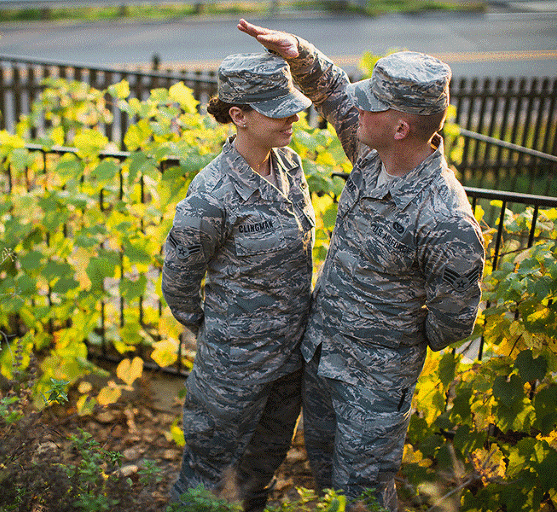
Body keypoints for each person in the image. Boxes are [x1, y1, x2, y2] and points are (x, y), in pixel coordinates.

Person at [237, 19, 486, 510]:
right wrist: (298, 52)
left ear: (401, 127)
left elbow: (453, 321)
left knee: (365, 499)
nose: (358, 104)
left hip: (373, 389)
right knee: (330, 483)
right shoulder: (375, 154)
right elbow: (333, 93)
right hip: (322, 359)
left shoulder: (444, 218)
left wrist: (388, 342)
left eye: (372, 101)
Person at [161, 52, 316, 512]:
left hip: (288, 362)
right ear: (239, 116)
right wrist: (215, 329)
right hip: (233, 370)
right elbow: (179, 276)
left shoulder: (289, 167)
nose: (292, 115)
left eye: (292, 103)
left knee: (259, 476)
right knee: (204, 481)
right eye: (277, 107)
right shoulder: (212, 194)